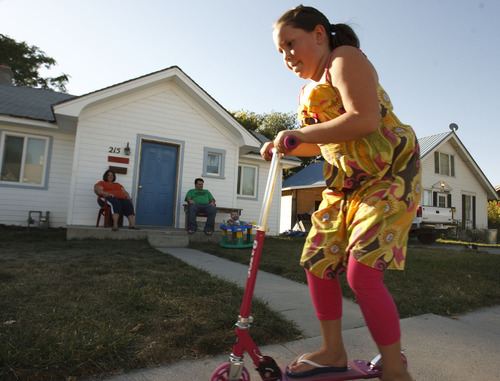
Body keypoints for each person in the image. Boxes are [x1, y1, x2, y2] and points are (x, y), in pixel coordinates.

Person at [261, 5, 421, 381]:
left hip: (388, 174)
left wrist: (298, 135)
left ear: (319, 34)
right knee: (317, 261)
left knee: (362, 274)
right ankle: (333, 351)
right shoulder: (307, 93)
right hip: (345, 183)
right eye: (279, 51)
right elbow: (317, 144)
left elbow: (363, 118)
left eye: (290, 44)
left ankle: (395, 368)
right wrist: (283, 146)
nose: (286, 56)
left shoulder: (342, 60)